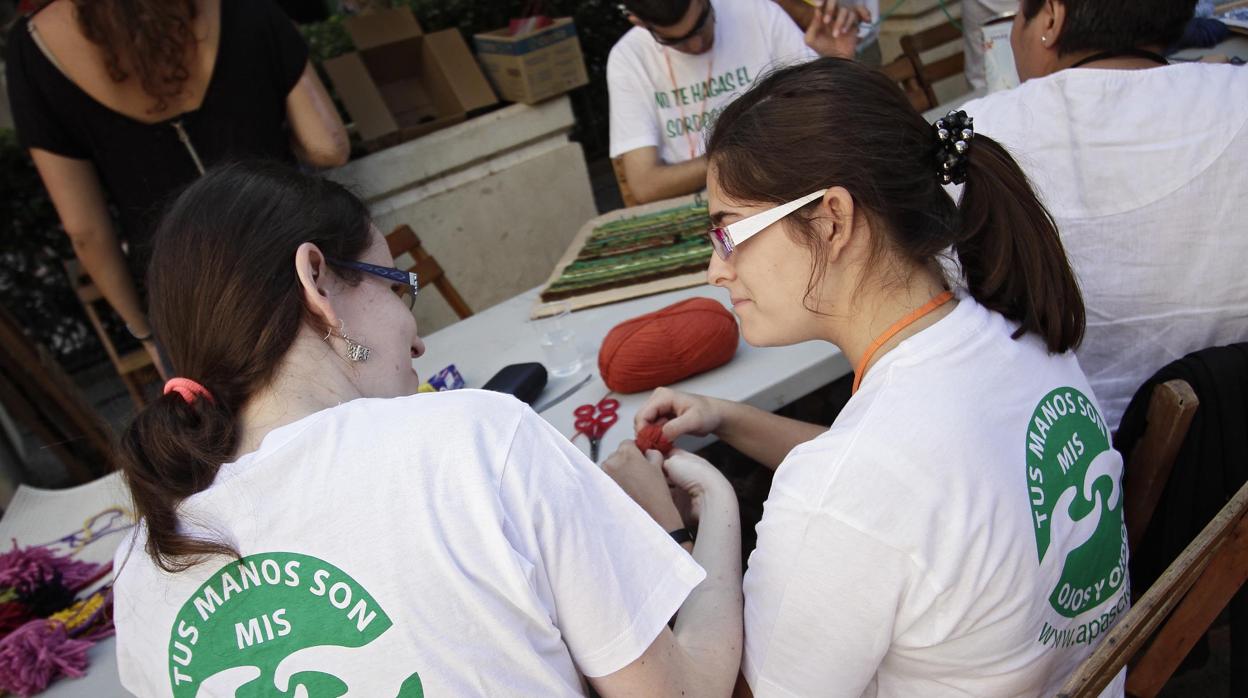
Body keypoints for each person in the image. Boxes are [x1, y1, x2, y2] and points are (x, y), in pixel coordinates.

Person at [110, 161, 743, 696]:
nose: (417, 339)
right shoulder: (477, 440)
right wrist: (713, 509)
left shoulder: (139, 572)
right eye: (397, 288)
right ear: (316, 280)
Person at [604, 58, 1129, 696]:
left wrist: (681, 522)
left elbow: (725, 690)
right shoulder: (1015, 334)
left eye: (728, 233)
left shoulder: (848, 488)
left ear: (830, 219)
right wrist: (731, 419)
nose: (716, 270)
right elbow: (902, 500)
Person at [5, 0, 349, 372]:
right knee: (367, 398)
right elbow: (327, 145)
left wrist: (146, 333)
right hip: (303, 270)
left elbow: (86, 232)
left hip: (187, 314)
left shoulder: (34, 48)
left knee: (252, 430)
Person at [957, 0, 1248, 430]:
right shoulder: (1235, 92)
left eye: (1021, 14)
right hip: (1233, 453)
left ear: (1051, 19)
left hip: (1061, 470)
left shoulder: (968, 140)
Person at [608, 0, 870, 204]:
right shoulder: (629, 58)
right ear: (639, 22)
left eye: (702, 23)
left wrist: (837, 61)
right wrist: (742, 155)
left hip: (784, 192)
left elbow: (831, 122)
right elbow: (646, 184)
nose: (698, 44)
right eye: (677, 41)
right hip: (699, 213)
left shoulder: (756, 12)